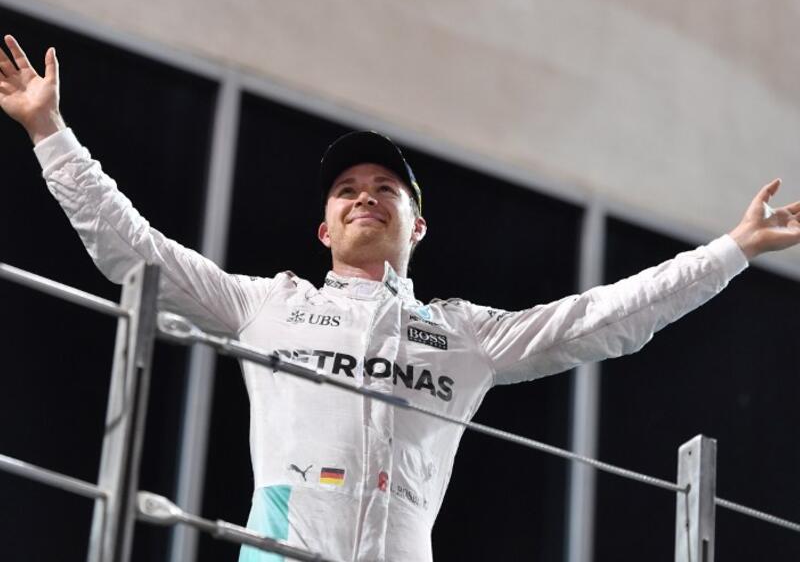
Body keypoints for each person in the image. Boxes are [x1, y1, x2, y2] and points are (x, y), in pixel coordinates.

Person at [2, 33, 800, 562]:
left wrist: (733, 249)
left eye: (386, 188)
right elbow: (132, 251)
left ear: (419, 225)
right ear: (323, 230)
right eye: (347, 190)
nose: (364, 198)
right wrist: (50, 132)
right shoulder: (264, 305)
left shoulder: (465, 336)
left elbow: (607, 318)